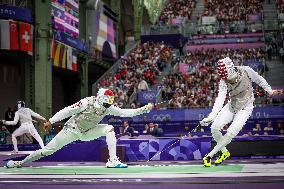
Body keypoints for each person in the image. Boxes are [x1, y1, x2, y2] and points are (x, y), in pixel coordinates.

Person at [5, 89, 153, 169]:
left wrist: (143, 109)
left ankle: (112, 160)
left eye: (109, 105)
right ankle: (20, 163)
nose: (107, 107)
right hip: (71, 130)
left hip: (87, 132)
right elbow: (67, 111)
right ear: (100, 99)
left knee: (109, 128)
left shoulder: (108, 107)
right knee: (47, 151)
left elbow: (125, 113)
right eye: (106, 104)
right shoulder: (85, 103)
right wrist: (51, 121)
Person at [200, 57, 277, 167]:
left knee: (230, 132)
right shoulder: (223, 81)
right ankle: (225, 152)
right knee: (214, 128)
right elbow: (220, 98)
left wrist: (270, 90)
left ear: (230, 71)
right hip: (232, 106)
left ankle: (209, 156)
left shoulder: (246, 70)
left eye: (224, 75)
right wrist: (211, 116)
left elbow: (259, 79)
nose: (223, 78)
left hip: (245, 108)